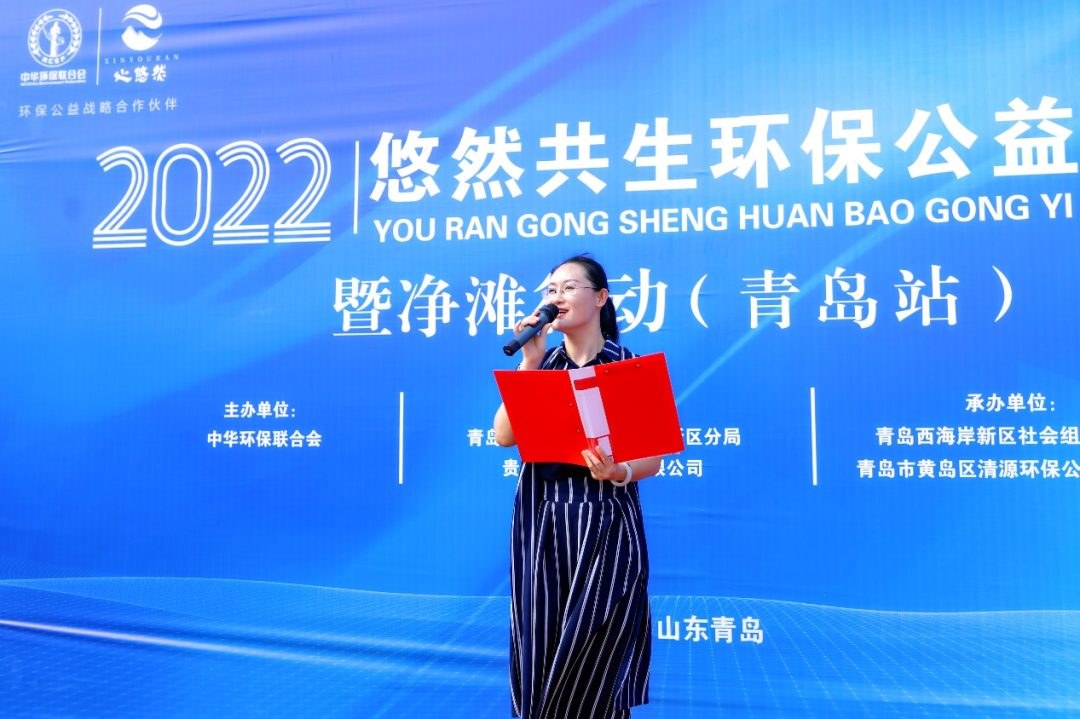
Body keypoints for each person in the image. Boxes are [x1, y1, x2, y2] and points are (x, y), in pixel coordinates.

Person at [494, 254, 661, 719]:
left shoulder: (630, 366)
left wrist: (617, 470)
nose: (557, 297)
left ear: (601, 297)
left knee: (595, 651)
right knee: (540, 644)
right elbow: (504, 436)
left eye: (569, 288)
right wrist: (529, 362)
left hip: (607, 520)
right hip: (542, 519)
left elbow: (652, 460)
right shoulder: (542, 364)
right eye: (551, 290)